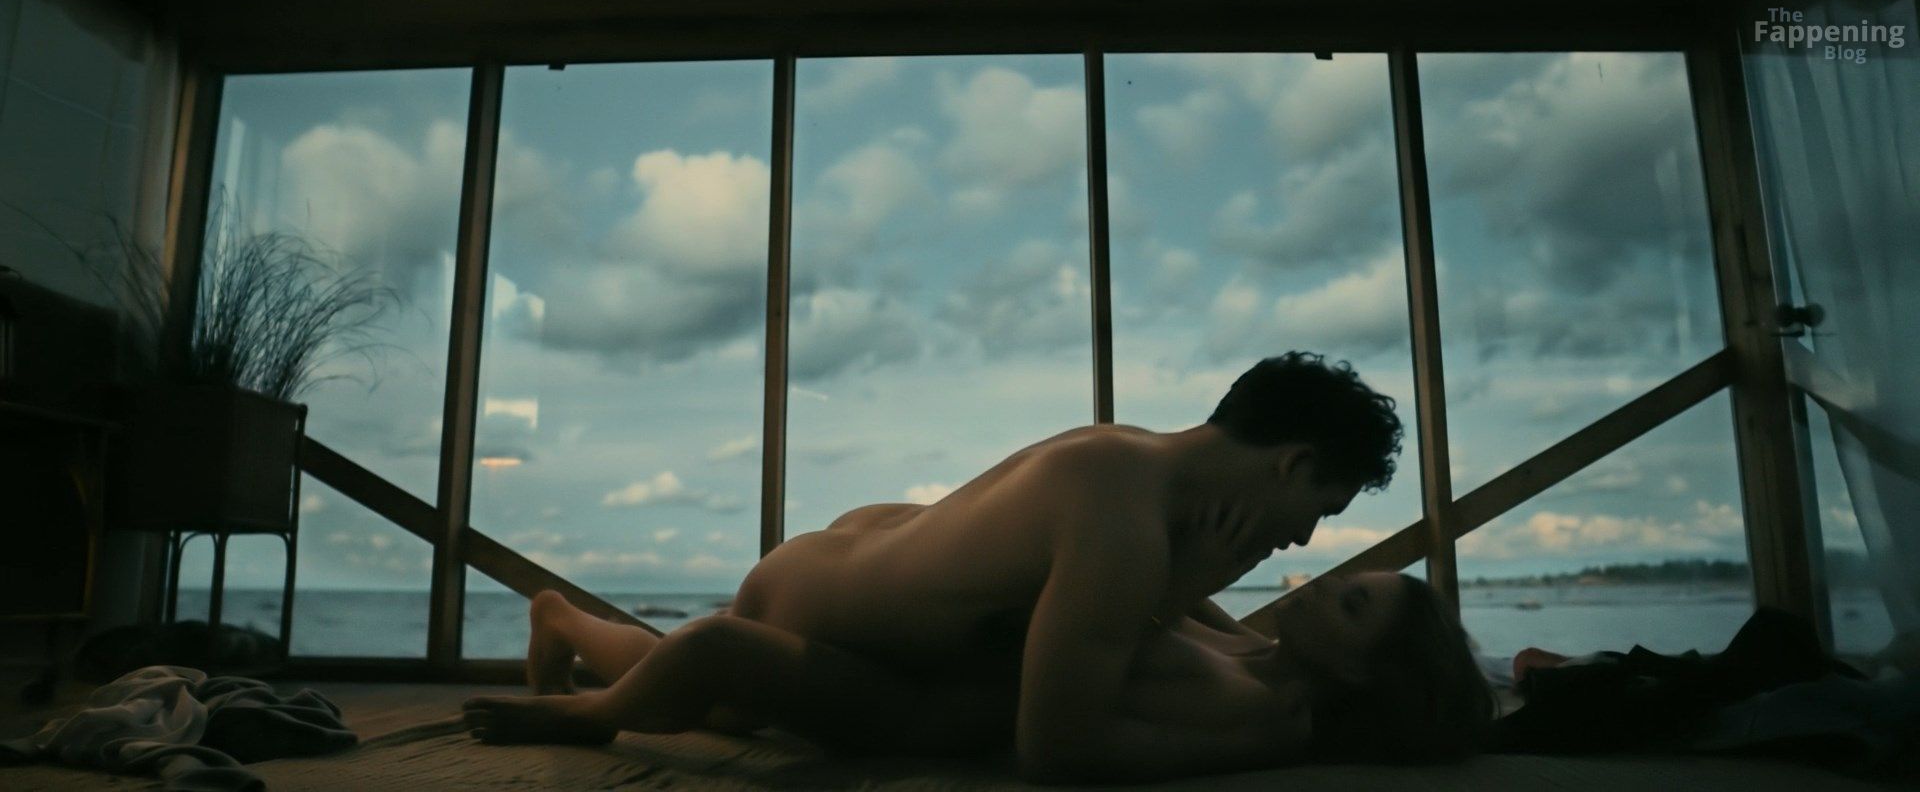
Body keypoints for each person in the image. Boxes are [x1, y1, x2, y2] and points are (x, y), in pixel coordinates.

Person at [465, 353, 1488, 780]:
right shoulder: (1129, 523)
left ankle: (563, 622)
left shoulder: (1134, 468)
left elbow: (1142, 626)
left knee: (723, 699)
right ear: (1292, 463)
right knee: (717, 690)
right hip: (820, 602)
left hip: (849, 570)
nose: (1305, 542)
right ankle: (595, 708)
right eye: (1322, 509)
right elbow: (1055, 743)